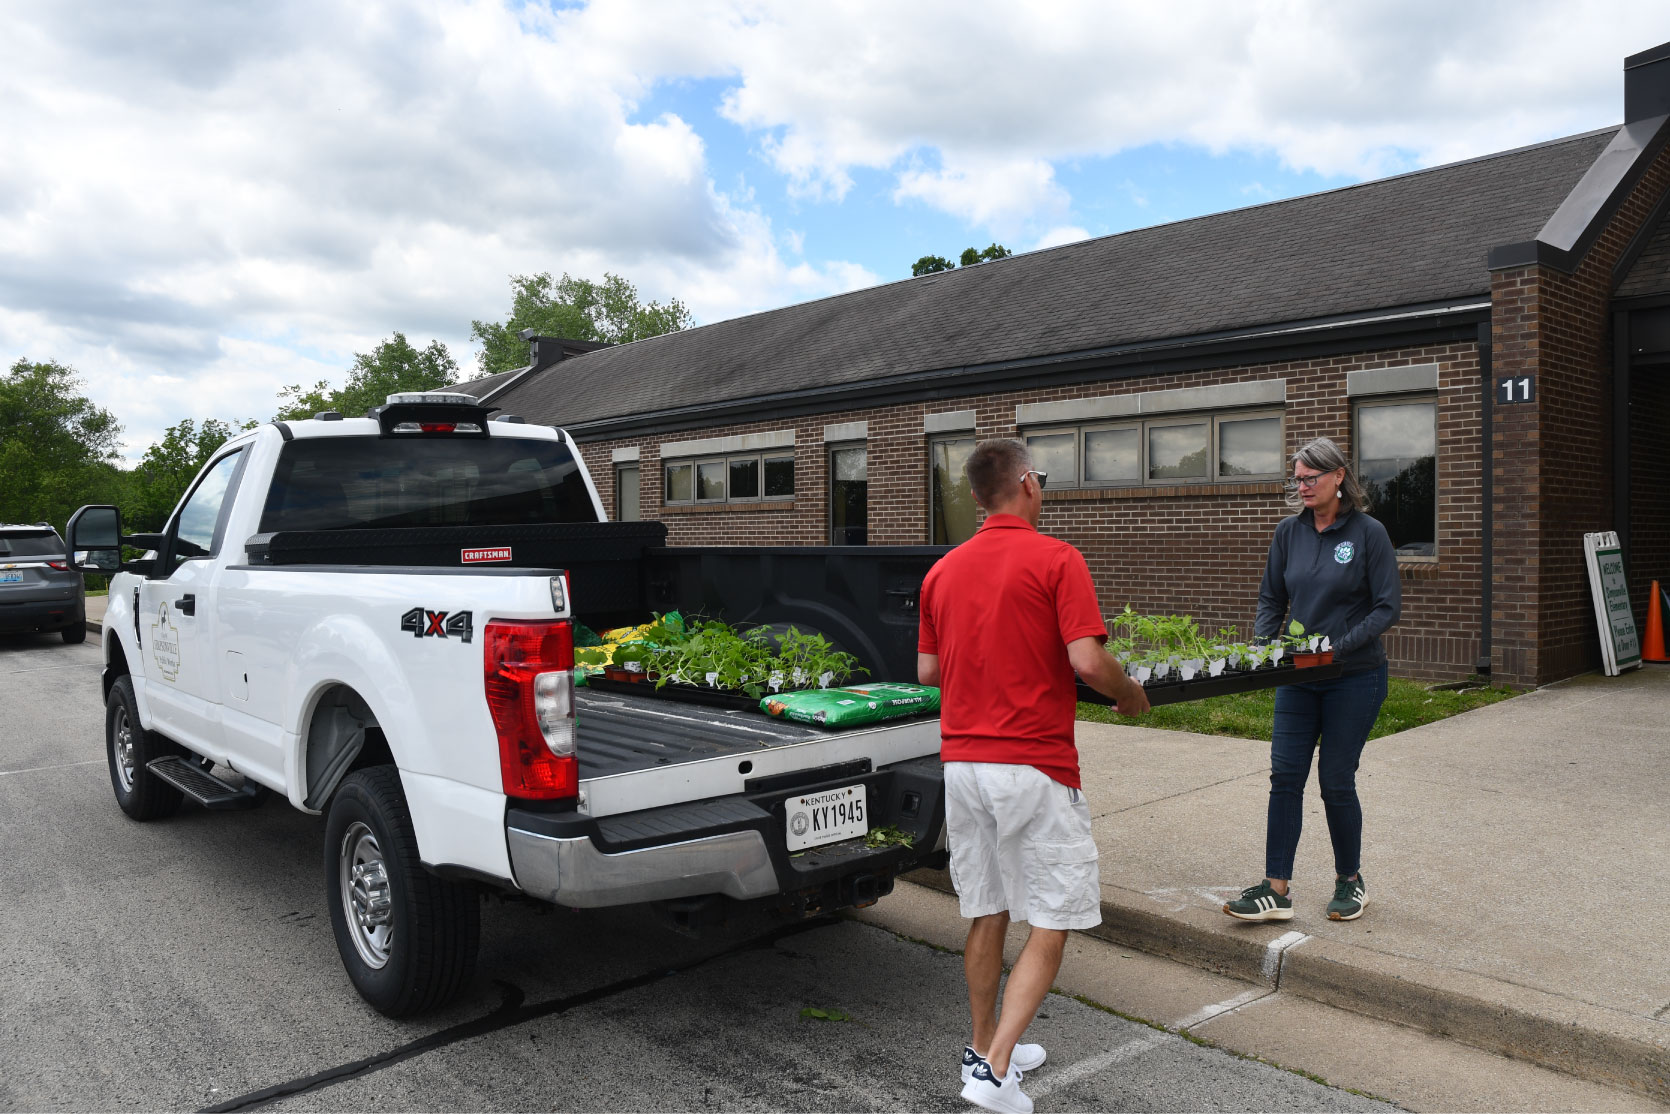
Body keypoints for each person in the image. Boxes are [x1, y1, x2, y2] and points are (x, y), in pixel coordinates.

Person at [917, 438, 1149, 1114]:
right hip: (1034, 766)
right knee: (1053, 917)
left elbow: (929, 673)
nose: (1042, 487)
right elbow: (1087, 662)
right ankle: (992, 1074)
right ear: (1024, 484)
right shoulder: (1057, 559)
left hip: (963, 765)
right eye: (1040, 477)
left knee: (987, 908)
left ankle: (986, 1044)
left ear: (975, 496)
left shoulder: (943, 572)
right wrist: (1130, 692)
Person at [1224, 437, 1401, 925]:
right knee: (1285, 777)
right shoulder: (1288, 533)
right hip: (1298, 677)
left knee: (1335, 781)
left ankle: (1351, 881)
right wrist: (1264, 645)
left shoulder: (1369, 534)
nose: (1300, 487)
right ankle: (1276, 888)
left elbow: (1388, 606)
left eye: (1309, 479)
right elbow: (1271, 598)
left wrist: (1335, 647)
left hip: (1354, 677)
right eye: (1296, 479)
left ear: (1338, 476)